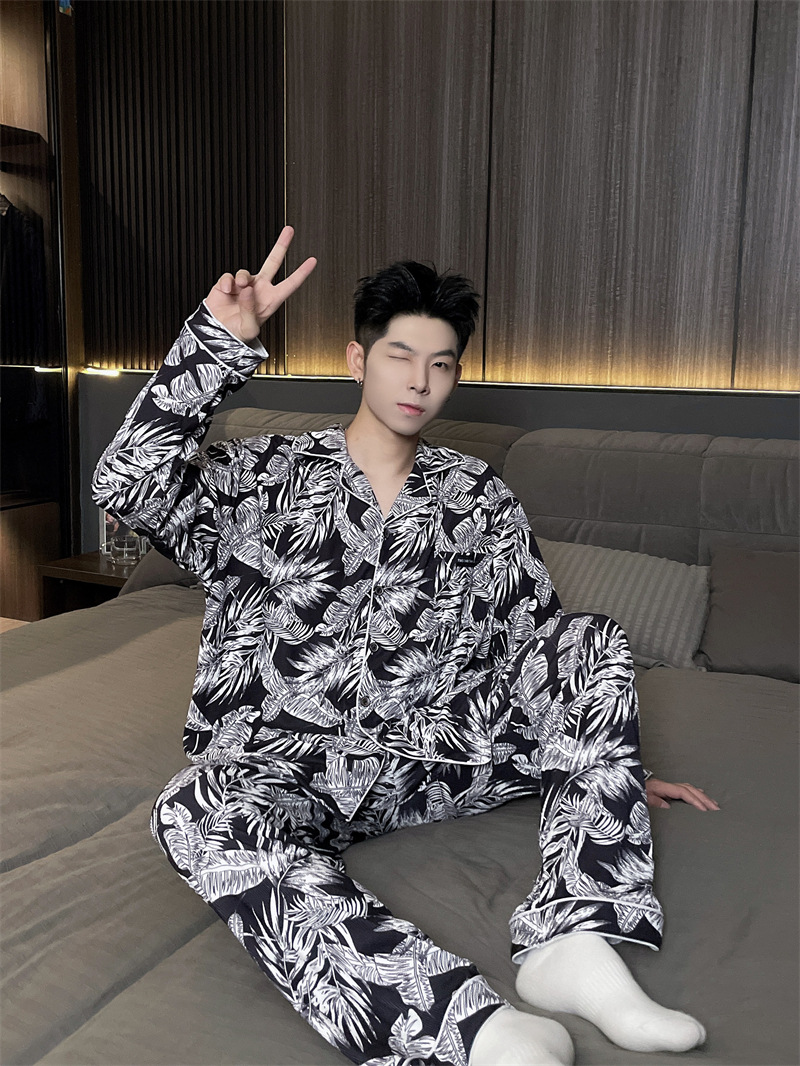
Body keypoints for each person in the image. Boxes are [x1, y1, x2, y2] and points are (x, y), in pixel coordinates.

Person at [93, 227, 719, 1066]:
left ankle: (574, 942)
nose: (420, 381)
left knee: (588, 637)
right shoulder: (261, 477)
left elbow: (536, 645)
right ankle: (463, 1026)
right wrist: (215, 344)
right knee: (192, 808)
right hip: (289, 767)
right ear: (358, 360)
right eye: (400, 357)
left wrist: (607, 764)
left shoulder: (479, 496)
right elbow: (126, 485)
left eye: (442, 364)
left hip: (430, 762)